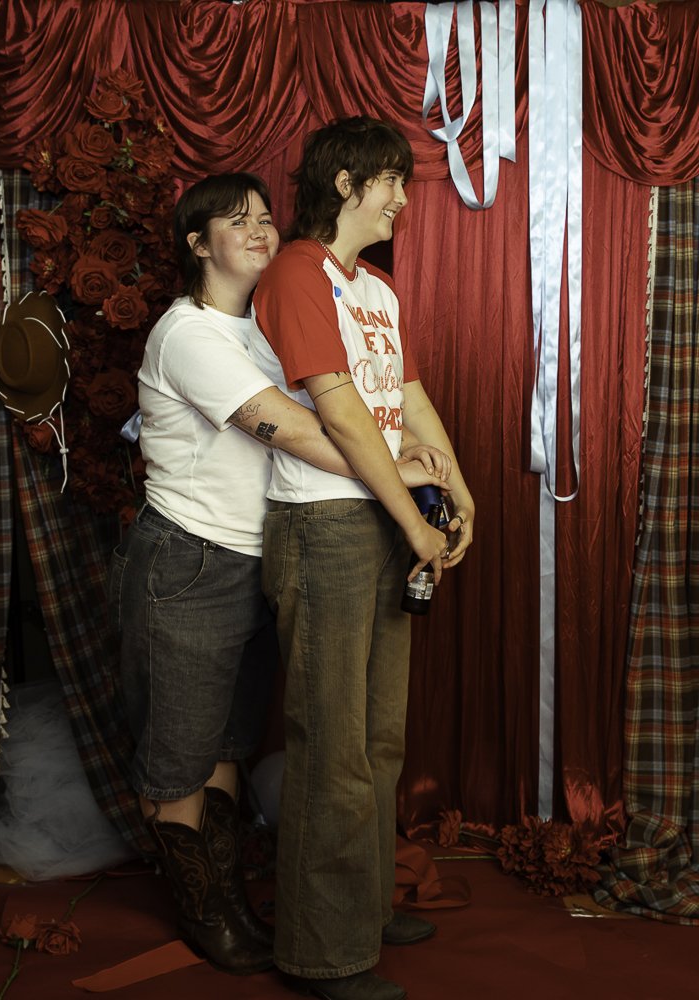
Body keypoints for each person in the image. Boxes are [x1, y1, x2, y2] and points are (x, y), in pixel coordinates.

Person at [109, 171, 448, 978]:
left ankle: (230, 894)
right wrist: (395, 472)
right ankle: (204, 911)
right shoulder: (188, 333)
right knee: (180, 753)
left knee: (228, 742)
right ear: (198, 245)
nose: (260, 231)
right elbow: (296, 430)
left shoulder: (261, 326)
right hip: (189, 559)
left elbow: (348, 401)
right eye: (236, 221)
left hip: (258, 553)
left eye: (265, 217)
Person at [250, 118, 475, 1000]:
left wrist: (461, 496)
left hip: (388, 521)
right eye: (393, 182)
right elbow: (340, 413)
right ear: (345, 184)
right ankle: (322, 953)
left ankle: (365, 907)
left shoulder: (375, 288)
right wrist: (413, 524)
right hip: (326, 527)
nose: (404, 200)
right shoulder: (298, 272)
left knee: (379, 739)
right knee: (330, 744)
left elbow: (406, 399)